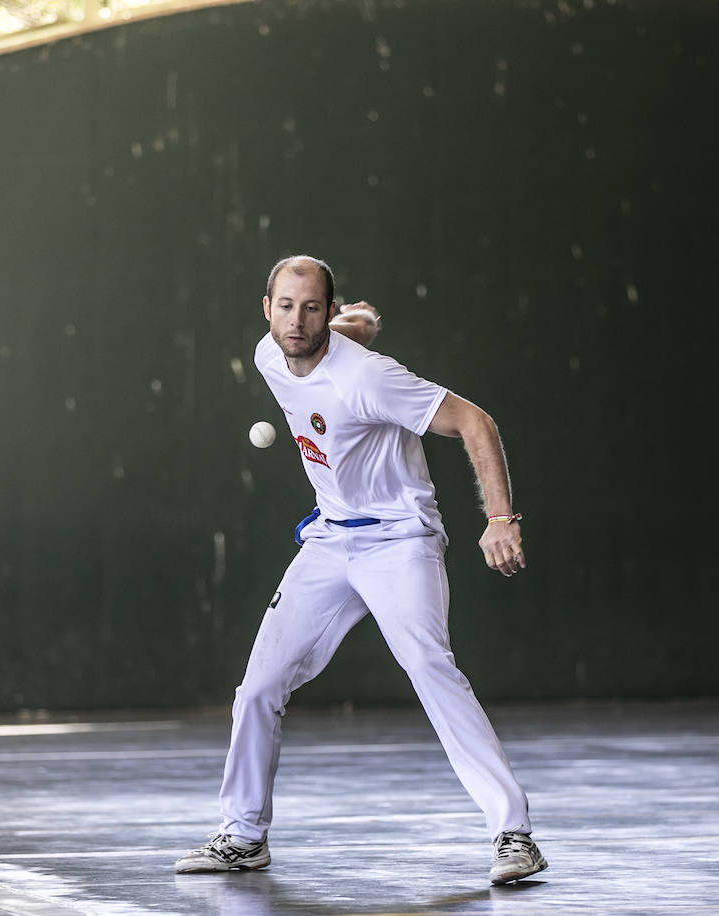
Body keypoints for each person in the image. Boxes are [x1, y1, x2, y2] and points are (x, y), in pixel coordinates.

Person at [175, 256, 546, 885]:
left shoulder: (371, 381)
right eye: (286, 306)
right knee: (259, 686)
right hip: (328, 543)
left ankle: (515, 835)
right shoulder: (271, 354)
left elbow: (475, 421)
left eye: (313, 308)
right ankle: (243, 834)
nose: (297, 321)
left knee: (430, 668)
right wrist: (360, 320)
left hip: (400, 541)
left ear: (326, 310)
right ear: (266, 309)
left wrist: (501, 518)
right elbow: (352, 327)